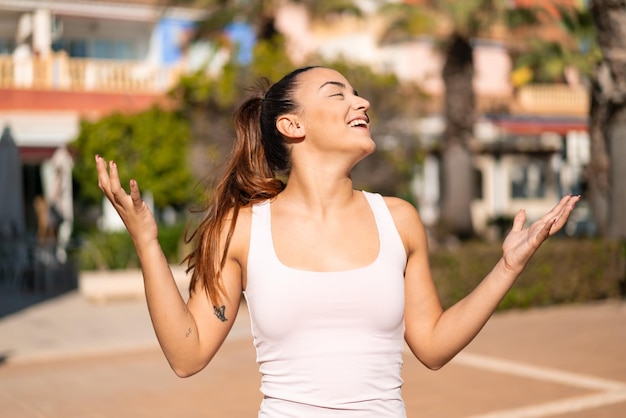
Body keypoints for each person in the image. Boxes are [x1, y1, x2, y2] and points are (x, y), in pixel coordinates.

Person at [95, 66, 580, 417]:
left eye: (358, 93)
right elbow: (187, 354)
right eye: (337, 94)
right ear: (292, 125)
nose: (361, 102)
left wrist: (508, 267)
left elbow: (431, 346)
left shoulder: (399, 220)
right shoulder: (242, 229)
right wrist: (146, 241)